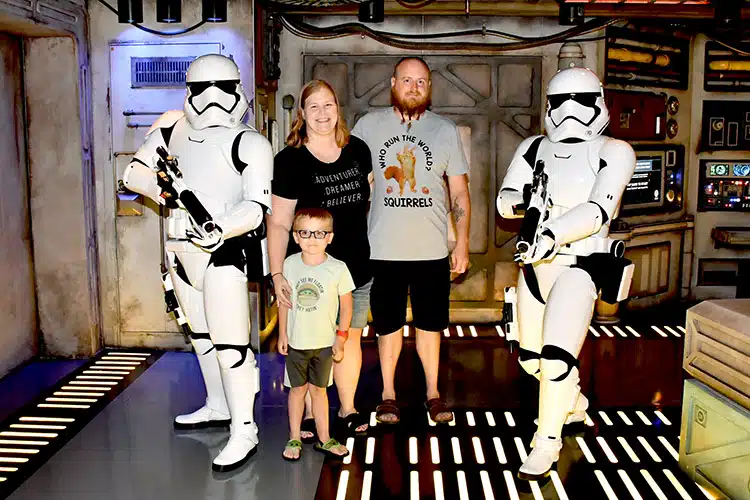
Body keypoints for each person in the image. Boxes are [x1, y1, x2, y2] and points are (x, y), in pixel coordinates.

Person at [121, 54, 272, 472]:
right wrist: (166, 191)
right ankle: (218, 405)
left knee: (231, 345)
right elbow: (133, 173)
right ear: (188, 91)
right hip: (180, 251)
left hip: (224, 253)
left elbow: (257, 207)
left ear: (237, 89)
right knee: (202, 337)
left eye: (223, 88)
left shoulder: (250, 142)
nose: (212, 100)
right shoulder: (171, 131)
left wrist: (220, 226)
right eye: (202, 90)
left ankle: (245, 429)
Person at [496, 67, 636, 480]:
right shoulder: (534, 148)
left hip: (581, 266)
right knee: (531, 360)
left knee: (557, 358)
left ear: (599, 102)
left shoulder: (614, 150)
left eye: (582, 101)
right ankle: (572, 404)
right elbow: (506, 199)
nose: (571, 111)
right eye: (561, 102)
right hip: (537, 268)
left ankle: (546, 443)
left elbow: (598, 209)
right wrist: (527, 202)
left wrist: (551, 233)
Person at [351, 57, 471, 425]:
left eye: (421, 81)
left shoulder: (445, 130)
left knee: (431, 325)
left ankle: (432, 394)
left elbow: (460, 194)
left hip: (431, 250)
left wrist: (462, 243)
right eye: (407, 80)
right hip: (382, 249)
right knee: (386, 325)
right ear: (393, 83)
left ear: (429, 87)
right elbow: (354, 183)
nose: (414, 87)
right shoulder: (368, 126)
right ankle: (388, 394)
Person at [268, 80, 373, 437]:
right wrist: (277, 274)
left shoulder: (358, 150)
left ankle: (347, 408)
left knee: (347, 339)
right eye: (313, 106)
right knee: (311, 344)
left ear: (338, 109)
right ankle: (312, 414)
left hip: (354, 267)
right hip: (309, 272)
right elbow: (280, 223)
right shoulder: (289, 161)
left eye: (328, 105)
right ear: (301, 113)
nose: (322, 113)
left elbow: (368, 202)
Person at [278, 208, 354, 461]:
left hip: (323, 344)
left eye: (320, 233)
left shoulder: (338, 268)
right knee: (297, 391)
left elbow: (347, 306)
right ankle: (294, 437)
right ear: (296, 237)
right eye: (305, 232)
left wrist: (341, 337)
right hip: (297, 344)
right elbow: (284, 302)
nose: (313, 238)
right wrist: (282, 334)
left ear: (330, 238)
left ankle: (325, 438)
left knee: (319, 391)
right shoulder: (288, 265)